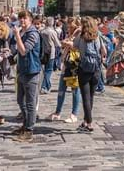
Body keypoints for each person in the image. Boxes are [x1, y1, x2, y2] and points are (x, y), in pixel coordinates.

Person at [12, 10, 42, 142]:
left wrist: (17, 35)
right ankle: (25, 123)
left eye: (24, 19)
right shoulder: (24, 32)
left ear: (30, 20)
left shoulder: (33, 34)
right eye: (20, 19)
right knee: (20, 100)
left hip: (31, 71)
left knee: (30, 103)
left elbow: (24, 51)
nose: (22, 21)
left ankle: (29, 129)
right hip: (22, 70)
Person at [74, 16, 107, 132]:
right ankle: (85, 121)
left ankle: (89, 123)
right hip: (96, 70)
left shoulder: (81, 36)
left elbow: (74, 47)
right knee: (91, 96)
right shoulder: (98, 36)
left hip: (84, 69)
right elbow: (104, 52)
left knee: (85, 98)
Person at [49, 17, 82, 123]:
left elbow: (77, 47)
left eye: (72, 26)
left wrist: (69, 42)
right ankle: (57, 112)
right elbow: (63, 43)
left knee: (75, 90)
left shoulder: (80, 34)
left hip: (75, 65)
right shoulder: (70, 34)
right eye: (68, 26)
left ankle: (74, 114)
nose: (69, 28)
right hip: (66, 64)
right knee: (61, 89)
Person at [40, 17, 62, 94]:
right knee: (48, 70)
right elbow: (57, 43)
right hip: (51, 53)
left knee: (46, 70)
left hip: (44, 52)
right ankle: (44, 86)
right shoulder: (52, 32)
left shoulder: (42, 31)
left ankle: (48, 86)